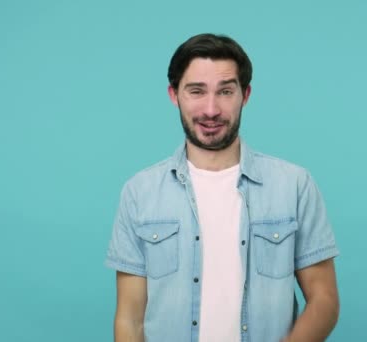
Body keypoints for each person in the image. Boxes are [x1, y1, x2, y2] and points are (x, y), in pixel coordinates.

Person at [105, 33, 340, 342]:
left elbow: (324, 300)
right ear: (174, 95)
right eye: (196, 91)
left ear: (246, 95)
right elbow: (129, 319)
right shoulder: (139, 193)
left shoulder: (294, 185)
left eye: (226, 91)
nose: (211, 109)